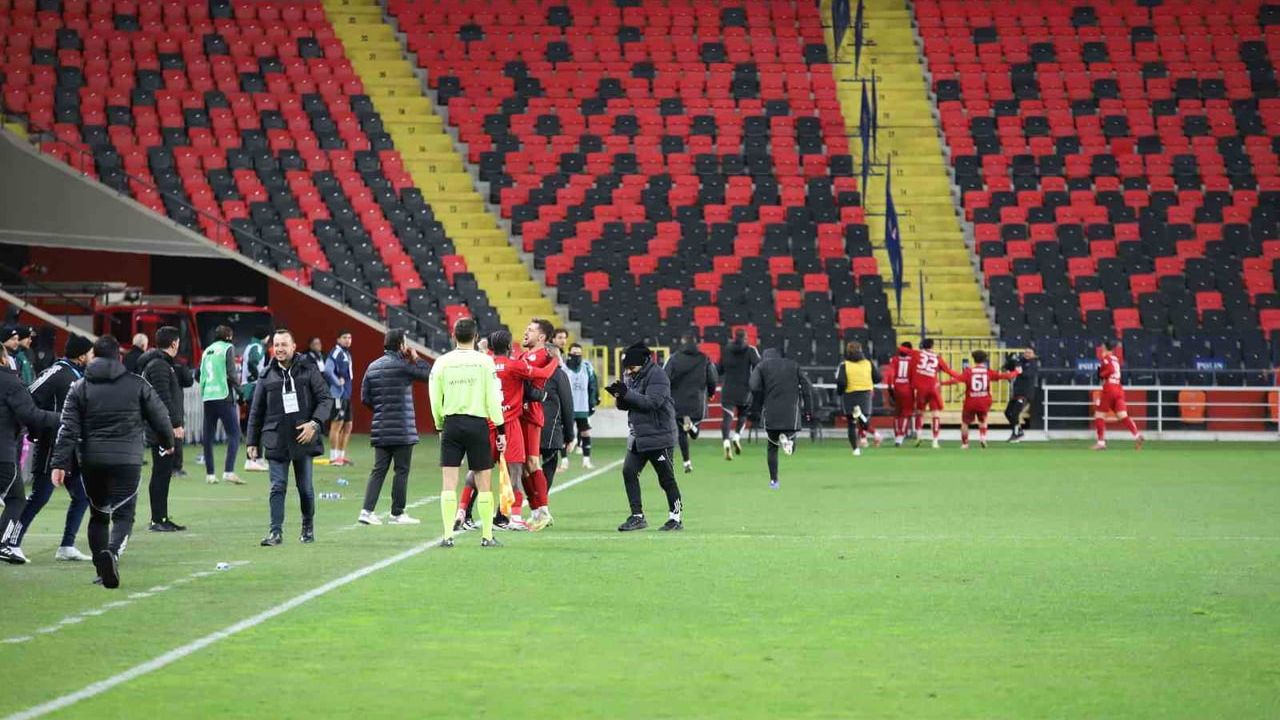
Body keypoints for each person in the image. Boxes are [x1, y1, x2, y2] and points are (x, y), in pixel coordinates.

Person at [50, 335, 174, 588]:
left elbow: (67, 428)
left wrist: (59, 463)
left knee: (98, 515)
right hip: (127, 460)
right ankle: (113, 553)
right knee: (124, 515)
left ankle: (100, 567)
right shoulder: (137, 384)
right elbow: (160, 417)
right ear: (119, 356)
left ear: (93, 356)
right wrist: (167, 442)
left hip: (92, 460)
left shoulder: (80, 386)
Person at [246, 329, 333, 546]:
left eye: (284, 344)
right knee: (277, 486)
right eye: (276, 345)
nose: (280, 349)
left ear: (294, 347)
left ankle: (307, 527)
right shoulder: (266, 376)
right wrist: (251, 442)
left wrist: (314, 424)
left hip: (303, 438)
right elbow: (256, 411)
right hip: (275, 438)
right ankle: (275, 533)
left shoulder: (309, 370)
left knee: (305, 487)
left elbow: (325, 399)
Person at [15, 334, 93, 561]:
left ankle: (67, 546)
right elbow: (28, 395)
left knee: (82, 495)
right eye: (90, 352)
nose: (92, 356)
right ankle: (10, 541)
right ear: (81, 355)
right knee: (40, 495)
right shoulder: (59, 373)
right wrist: (40, 426)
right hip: (52, 444)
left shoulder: (76, 374)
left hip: (68, 446)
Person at [429, 318, 505, 548]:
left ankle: (447, 536)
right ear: (475, 336)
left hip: (451, 424)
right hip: (477, 424)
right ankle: (487, 536)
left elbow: (434, 397)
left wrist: (439, 424)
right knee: (484, 481)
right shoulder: (485, 362)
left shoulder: (441, 362)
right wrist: (500, 428)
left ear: (454, 336)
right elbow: (493, 398)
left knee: (448, 482)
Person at [606, 341, 683, 532]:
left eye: (632, 367)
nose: (629, 371)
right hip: (639, 435)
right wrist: (619, 395)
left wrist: (627, 393)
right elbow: (627, 405)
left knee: (666, 479)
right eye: (627, 368)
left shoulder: (658, 375)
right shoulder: (631, 375)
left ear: (643, 362)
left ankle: (676, 518)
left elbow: (652, 403)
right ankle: (637, 516)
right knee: (628, 472)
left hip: (659, 436)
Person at [357, 329, 431, 526]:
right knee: (401, 470)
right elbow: (429, 375)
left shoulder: (372, 367)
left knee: (378, 470)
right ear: (400, 345)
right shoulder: (404, 366)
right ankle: (397, 513)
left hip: (380, 427)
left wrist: (381, 410)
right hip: (403, 428)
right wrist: (416, 357)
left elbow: (365, 398)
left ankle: (366, 511)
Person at [0, 341, 61, 565]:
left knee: (16, 498)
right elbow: (32, 415)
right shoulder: (11, 383)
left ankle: (4, 544)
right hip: (3, 455)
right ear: (3, 359)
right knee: (16, 500)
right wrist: (61, 418)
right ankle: (3, 543)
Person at [138, 326, 187, 532]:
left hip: (162, 427)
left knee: (164, 472)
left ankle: (162, 517)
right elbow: (162, 398)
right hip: (161, 429)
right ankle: (157, 519)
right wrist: (174, 424)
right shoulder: (159, 366)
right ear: (174, 343)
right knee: (160, 473)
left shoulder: (163, 364)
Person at [748, 347, 813, 489]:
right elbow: (808, 387)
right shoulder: (794, 365)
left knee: (772, 446)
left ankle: (774, 481)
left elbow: (753, 386)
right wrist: (808, 410)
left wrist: (759, 399)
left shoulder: (762, 366)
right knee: (791, 437)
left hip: (770, 411)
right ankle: (788, 440)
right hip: (791, 412)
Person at [517, 318, 560, 530]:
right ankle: (535, 511)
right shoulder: (524, 355)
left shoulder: (543, 355)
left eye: (530, 330)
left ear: (541, 337)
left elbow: (533, 375)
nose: (525, 332)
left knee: (532, 461)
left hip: (531, 413)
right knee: (522, 465)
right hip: (519, 412)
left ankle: (544, 511)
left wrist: (555, 360)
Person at [941, 350, 1020, 449]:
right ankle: (983, 438)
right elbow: (1005, 376)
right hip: (984, 401)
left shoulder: (969, 372)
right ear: (985, 360)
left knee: (965, 423)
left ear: (974, 360)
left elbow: (955, 380)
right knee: (983, 420)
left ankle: (965, 443)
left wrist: (941, 383)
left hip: (971, 401)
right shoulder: (988, 372)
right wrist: (1016, 371)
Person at [664, 331, 718, 473]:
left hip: (677, 402)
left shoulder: (674, 359)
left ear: (682, 343)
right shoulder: (704, 358)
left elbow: (664, 378)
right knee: (694, 433)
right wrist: (711, 393)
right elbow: (712, 378)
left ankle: (687, 462)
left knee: (681, 433)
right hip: (696, 401)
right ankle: (692, 427)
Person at [199, 324, 244, 484]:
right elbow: (232, 373)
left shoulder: (206, 351)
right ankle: (228, 471)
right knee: (234, 434)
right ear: (229, 336)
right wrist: (240, 391)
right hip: (223, 395)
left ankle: (210, 474)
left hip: (208, 396)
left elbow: (200, 374)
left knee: (208, 437)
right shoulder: (227, 348)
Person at [717, 329, 760, 460]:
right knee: (742, 414)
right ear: (745, 338)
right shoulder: (751, 350)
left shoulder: (726, 350)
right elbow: (759, 367)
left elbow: (719, 369)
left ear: (734, 337)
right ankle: (736, 437)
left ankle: (726, 443)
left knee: (727, 417)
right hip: (744, 390)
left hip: (728, 388)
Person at [1094, 339, 1144, 450]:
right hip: (1118, 388)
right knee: (1123, 415)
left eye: (1102, 346)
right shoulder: (1115, 359)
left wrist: (1101, 374)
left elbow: (1108, 370)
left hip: (1109, 388)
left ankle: (1101, 443)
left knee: (1099, 415)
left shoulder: (1106, 358)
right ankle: (1137, 435)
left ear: (1105, 347)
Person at [835, 341, 882, 456]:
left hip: (850, 395)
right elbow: (878, 378)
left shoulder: (844, 365)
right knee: (863, 420)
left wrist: (840, 392)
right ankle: (872, 430)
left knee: (851, 423)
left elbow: (841, 382)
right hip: (865, 394)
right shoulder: (868, 363)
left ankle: (855, 449)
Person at [538, 354, 576, 489]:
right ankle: (539, 505)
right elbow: (567, 405)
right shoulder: (559, 375)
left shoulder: (527, 371)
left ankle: (509, 507)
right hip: (550, 430)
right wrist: (569, 435)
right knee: (548, 466)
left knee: (524, 469)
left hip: (526, 428)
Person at [911, 338, 955, 449]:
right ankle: (935, 441)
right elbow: (948, 371)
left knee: (919, 412)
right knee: (935, 414)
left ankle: (919, 435)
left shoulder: (917, 355)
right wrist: (959, 376)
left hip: (921, 388)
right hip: (933, 387)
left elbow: (904, 351)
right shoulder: (937, 357)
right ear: (932, 346)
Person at [561, 342, 598, 470]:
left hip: (582, 406)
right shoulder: (563, 368)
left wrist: (593, 401)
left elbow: (593, 384)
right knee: (563, 434)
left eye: (578, 353)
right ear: (569, 353)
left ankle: (586, 460)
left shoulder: (587, 367)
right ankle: (564, 460)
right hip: (567, 407)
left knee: (586, 433)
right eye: (573, 353)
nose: (576, 355)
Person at [322, 330, 355, 467]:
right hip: (338, 395)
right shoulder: (336, 352)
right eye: (344, 337)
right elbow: (328, 370)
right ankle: (334, 457)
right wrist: (337, 382)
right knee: (337, 425)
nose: (348, 340)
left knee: (348, 425)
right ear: (338, 339)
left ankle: (341, 456)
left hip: (346, 394)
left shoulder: (346, 353)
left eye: (349, 337)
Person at [240, 333, 270, 471]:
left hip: (250, 387)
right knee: (256, 424)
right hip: (254, 387)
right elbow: (253, 362)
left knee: (258, 423)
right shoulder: (257, 347)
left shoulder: (250, 346)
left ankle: (257, 458)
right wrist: (257, 377)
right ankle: (250, 459)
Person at [1003, 349, 1038, 442]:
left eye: (1029, 353)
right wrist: (1010, 360)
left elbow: (1027, 374)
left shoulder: (1033, 364)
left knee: (1015, 414)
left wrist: (1018, 368)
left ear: (1033, 355)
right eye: (1026, 352)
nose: (1027, 354)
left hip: (1025, 392)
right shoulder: (1019, 361)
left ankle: (1016, 434)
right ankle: (1019, 431)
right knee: (1007, 412)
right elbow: (1007, 367)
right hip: (1016, 391)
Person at [887, 342, 916, 446]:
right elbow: (914, 377)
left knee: (897, 413)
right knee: (906, 414)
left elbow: (890, 376)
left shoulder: (894, 360)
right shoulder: (913, 361)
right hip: (908, 389)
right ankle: (901, 435)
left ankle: (896, 436)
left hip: (896, 388)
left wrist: (890, 390)